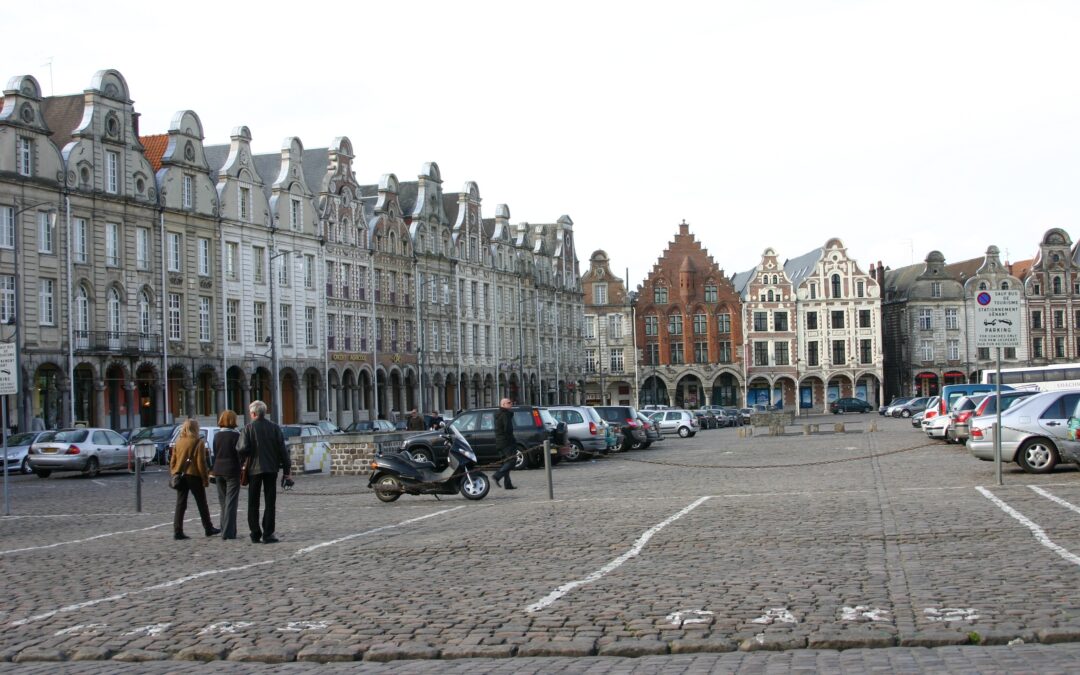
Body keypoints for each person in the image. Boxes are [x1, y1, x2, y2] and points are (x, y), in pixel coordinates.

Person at [237, 400, 291, 544]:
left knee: (253, 502)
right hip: (271, 468)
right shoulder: (274, 428)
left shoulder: (248, 428)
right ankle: (268, 533)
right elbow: (283, 451)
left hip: (254, 469)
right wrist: (287, 470)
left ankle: (255, 532)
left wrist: (247, 456)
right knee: (270, 501)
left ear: (253, 413)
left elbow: (241, 449)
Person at [171, 418, 220, 540]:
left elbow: (172, 461)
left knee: (180, 504)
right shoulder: (198, 442)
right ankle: (208, 528)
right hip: (194, 476)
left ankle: (177, 530)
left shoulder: (178, 442)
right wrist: (205, 478)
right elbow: (201, 463)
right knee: (202, 503)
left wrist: (174, 472)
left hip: (180, 475)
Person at [211, 409, 242, 540]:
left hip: (218, 471)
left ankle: (225, 527)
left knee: (223, 502)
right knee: (231, 502)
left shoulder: (217, 436)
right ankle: (228, 532)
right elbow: (240, 454)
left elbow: (215, 452)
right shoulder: (236, 436)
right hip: (232, 470)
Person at [491, 398, 517, 490]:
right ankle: (497, 476)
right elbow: (508, 429)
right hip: (506, 442)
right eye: (509, 403)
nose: (511, 404)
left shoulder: (499, 414)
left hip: (499, 442)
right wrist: (512, 441)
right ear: (503, 404)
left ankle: (508, 484)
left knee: (506, 462)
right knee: (512, 461)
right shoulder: (505, 414)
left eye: (511, 402)